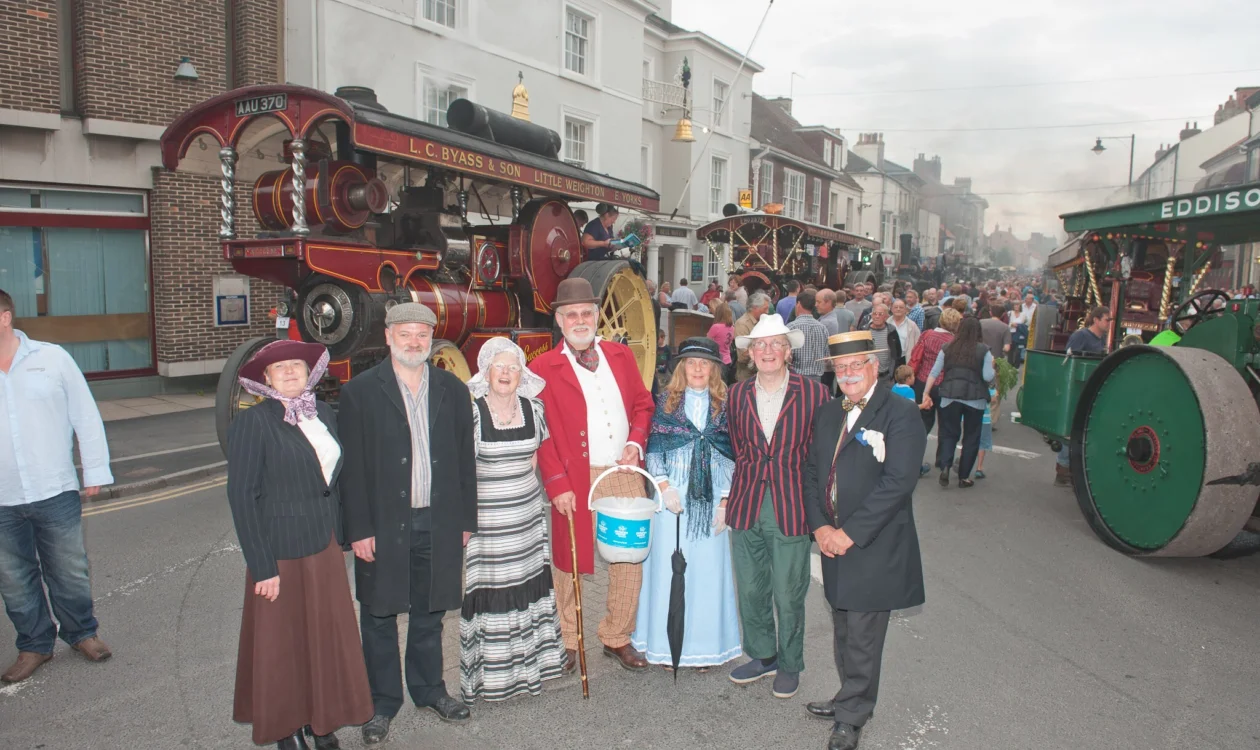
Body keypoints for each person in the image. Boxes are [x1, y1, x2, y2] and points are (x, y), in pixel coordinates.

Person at [338, 302, 478, 745]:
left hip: (437, 521)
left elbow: (464, 462)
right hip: (382, 525)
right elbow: (352, 469)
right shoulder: (360, 392)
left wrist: (465, 520)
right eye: (406, 334)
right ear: (388, 336)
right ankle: (380, 704)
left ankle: (430, 690)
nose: (414, 341)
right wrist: (358, 529)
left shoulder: (453, 391)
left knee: (429, 611)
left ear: (431, 338)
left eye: (422, 334)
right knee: (378, 615)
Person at [226, 340, 372, 750]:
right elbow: (242, 497)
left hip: (323, 547)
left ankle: (322, 723)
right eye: (280, 368)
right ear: (266, 379)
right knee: (283, 646)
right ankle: (286, 729)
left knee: (325, 639)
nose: (290, 372)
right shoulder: (253, 425)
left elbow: (335, 482)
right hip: (280, 554)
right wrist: (263, 565)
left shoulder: (323, 413)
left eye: (296, 366)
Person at [803, 330, 926, 750]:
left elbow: (898, 482)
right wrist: (820, 527)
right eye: (841, 368)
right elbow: (812, 473)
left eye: (857, 365)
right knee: (843, 625)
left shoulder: (901, 413)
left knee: (863, 634)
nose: (849, 373)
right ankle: (847, 697)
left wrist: (847, 534)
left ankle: (853, 714)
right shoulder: (828, 412)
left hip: (872, 545)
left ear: (875, 366)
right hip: (832, 541)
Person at [530, 278, 657, 672]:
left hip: (622, 470)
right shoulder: (541, 367)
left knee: (628, 558)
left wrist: (635, 442)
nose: (580, 320)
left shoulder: (620, 355)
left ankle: (617, 636)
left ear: (597, 315)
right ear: (559, 320)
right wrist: (556, 484)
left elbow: (642, 404)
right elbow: (541, 432)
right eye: (572, 314)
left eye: (587, 312)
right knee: (569, 562)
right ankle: (569, 638)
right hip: (574, 476)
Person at [0, 289, 113, 685]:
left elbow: (84, 414)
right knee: (13, 577)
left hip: (54, 488)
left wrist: (95, 470)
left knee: (68, 570)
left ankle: (82, 633)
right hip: (2, 497)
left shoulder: (52, 358)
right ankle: (34, 645)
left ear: (5, 317)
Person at [726, 313, 830, 699]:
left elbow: (821, 456)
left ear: (788, 352)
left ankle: (789, 662)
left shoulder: (816, 394)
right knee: (751, 590)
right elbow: (738, 449)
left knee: (789, 593)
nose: (768, 351)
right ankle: (762, 655)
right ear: (751, 354)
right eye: (760, 345)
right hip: (747, 503)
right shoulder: (736, 395)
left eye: (776, 344)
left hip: (791, 505)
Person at [459, 338, 566, 704]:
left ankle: (532, 667)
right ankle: (495, 677)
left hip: (526, 519)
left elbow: (535, 459)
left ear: (522, 373)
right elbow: (462, 471)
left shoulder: (533, 410)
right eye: (498, 367)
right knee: (495, 591)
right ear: (485, 371)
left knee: (527, 586)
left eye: (513, 367)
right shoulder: (472, 413)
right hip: (489, 522)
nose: (505, 374)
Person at [632, 338, 740, 669]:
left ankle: (705, 649)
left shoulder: (726, 407)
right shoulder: (665, 404)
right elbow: (654, 450)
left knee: (708, 576)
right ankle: (666, 647)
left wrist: (725, 500)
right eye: (691, 362)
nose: (697, 369)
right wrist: (663, 487)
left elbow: (733, 456)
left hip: (710, 501)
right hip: (672, 501)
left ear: (713, 369)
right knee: (668, 573)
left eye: (704, 363)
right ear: (682, 368)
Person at [921, 317, 994, 489]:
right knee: (971, 437)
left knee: (948, 433)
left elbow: (934, 372)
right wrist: (993, 367)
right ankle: (963, 476)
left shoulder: (947, 348)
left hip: (949, 396)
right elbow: (987, 377)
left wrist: (926, 393)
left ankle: (945, 466)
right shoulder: (984, 350)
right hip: (975, 399)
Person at [1055, 306, 1111, 486]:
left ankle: (1074, 468)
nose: (1109, 323)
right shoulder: (1081, 336)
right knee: (1072, 428)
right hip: (1077, 389)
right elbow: (1070, 359)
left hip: (1090, 388)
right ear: (1096, 320)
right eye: (1107, 319)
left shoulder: (1100, 339)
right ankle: (1063, 469)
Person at [787, 290, 830, 382]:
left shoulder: (791, 327)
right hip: (817, 379)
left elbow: (787, 357)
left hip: (796, 377)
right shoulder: (822, 328)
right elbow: (826, 357)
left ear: (798, 304)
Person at [733, 292, 772, 382]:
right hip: (747, 375)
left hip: (762, 373)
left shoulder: (763, 322)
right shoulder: (742, 324)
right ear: (755, 308)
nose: (767, 312)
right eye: (765, 309)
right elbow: (742, 356)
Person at [864, 304, 902, 382]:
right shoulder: (864, 331)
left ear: (886, 317)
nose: (877, 316)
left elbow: (898, 353)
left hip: (886, 376)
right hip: (868, 376)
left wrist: (892, 372)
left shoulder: (892, 331)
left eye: (880, 314)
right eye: (874, 314)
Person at [707, 300, 736, 382]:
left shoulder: (716, 327)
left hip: (717, 360)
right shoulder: (732, 328)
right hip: (728, 359)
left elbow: (707, 341)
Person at [974, 384, 998, 480]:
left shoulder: (973, 384)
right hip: (985, 418)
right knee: (982, 444)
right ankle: (979, 468)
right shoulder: (989, 387)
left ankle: (963, 463)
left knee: (968, 440)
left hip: (970, 417)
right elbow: (994, 399)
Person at [888, 300, 921, 368]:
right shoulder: (886, 323)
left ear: (905, 309)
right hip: (888, 360)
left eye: (901, 307)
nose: (898, 309)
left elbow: (918, 345)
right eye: (896, 307)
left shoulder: (912, 325)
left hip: (905, 360)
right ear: (891, 309)